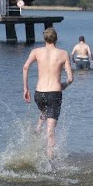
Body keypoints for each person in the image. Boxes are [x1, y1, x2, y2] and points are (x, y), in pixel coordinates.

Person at [23, 27, 74, 159]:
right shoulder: (63, 54)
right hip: (54, 93)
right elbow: (70, 78)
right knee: (50, 130)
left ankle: (37, 129)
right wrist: (65, 84)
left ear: (44, 38)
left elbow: (25, 67)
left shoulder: (36, 51)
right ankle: (50, 161)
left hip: (39, 93)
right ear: (56, 38)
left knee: (45, 112)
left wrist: (25, 88)